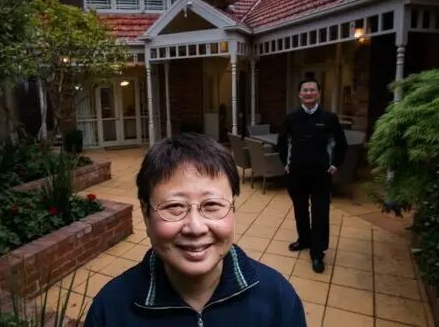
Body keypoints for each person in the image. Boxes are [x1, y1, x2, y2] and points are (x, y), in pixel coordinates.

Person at [85, 133, 306, 326]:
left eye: (212, 205)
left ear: (233, 209)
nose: (195, 227)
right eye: (174, 207)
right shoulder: (110, 311)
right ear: (146, 215)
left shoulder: (278, 299)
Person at [277, 78, 346, 273]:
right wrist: (286, 164)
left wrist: (335, 164)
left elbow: (341, 143)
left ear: (319, 93)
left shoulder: (329, 118)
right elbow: (281, 142)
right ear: (299, 94)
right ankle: (304, 240)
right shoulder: (291, 118)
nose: (308, 93)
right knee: (300, 209)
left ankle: (317, 252)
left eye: (312, 90)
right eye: (305, 90)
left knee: (320, 213)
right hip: (296, 173)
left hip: (321, 174)